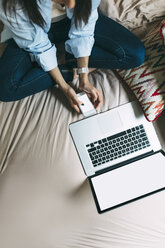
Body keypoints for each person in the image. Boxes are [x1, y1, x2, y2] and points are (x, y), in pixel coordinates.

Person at [0, 0, 145, 113]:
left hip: (72, 22)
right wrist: (64, 86)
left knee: (135, 55)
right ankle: (68, 67)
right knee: (6, 90)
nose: (70, 4)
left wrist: (84, 76)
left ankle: (64, 57)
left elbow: (84, 29)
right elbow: (39, 47)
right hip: (33, 33)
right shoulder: (12, 4)